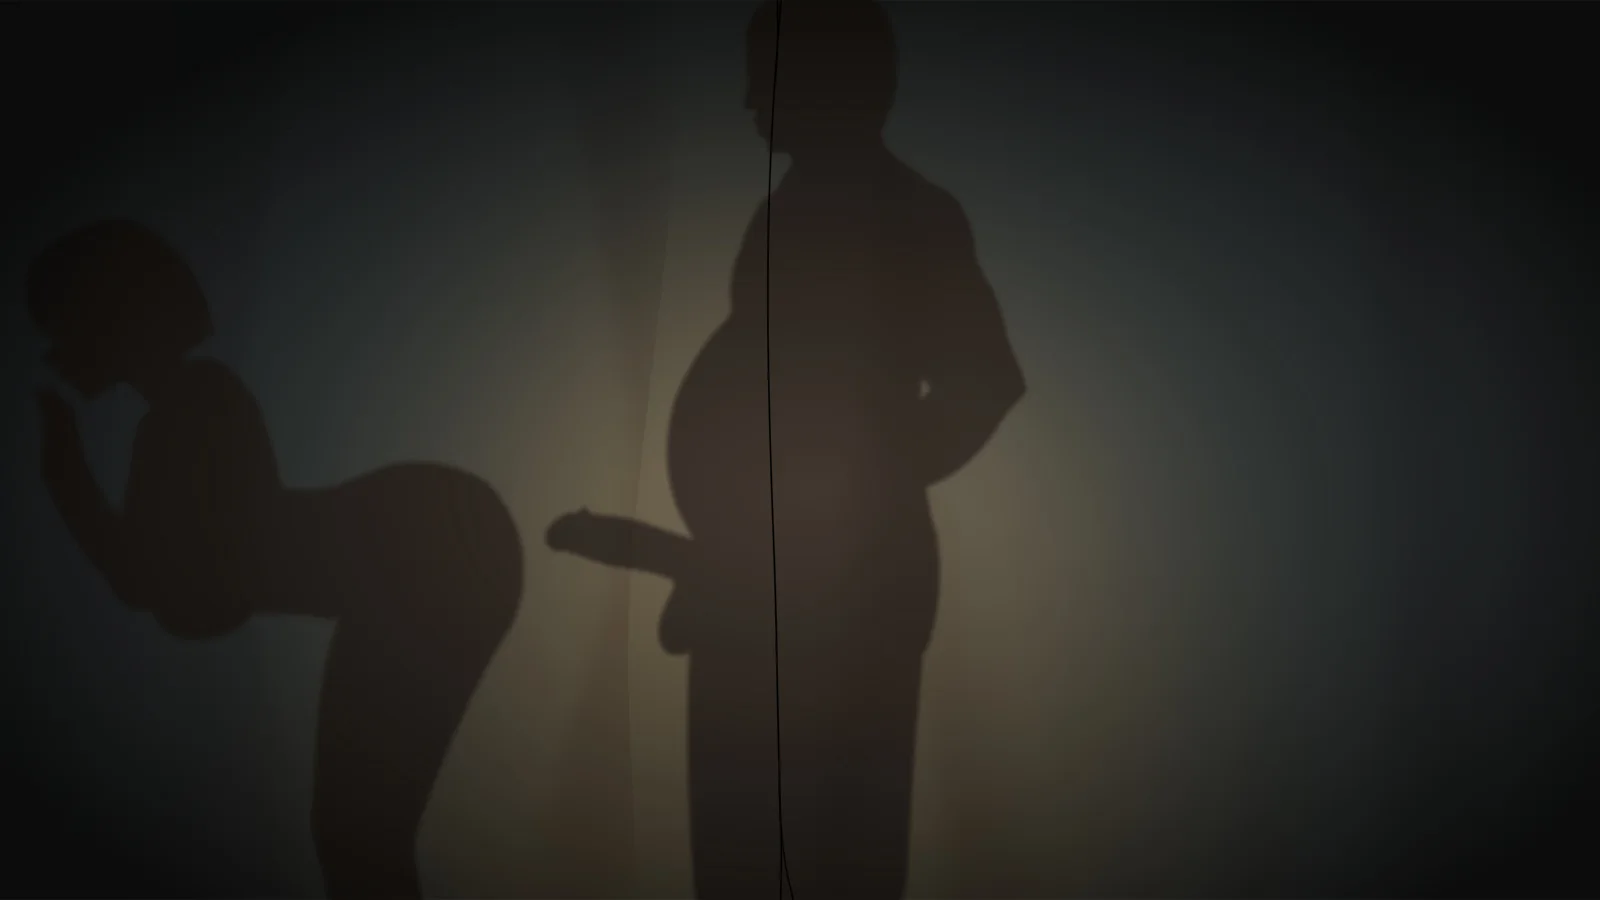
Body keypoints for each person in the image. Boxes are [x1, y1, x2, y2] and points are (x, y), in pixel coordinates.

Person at [547, 2, 1026, 896]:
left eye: (763, 78)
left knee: (834, 856)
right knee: (738, 859)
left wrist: (864, 491)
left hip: (848, 600)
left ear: (826, 83)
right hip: (742, 592)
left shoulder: (912, 213)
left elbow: (986, 381)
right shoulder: (781, 212)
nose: (746, 102)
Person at [29, 220, 523, 900]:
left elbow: (155, 583)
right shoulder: (189, 405)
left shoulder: (196, 400)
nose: (54, 351)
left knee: (356, 840)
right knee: (355, 839)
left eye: (61, 326)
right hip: (427, 547)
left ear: (106, 317)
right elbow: (177, 587)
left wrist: (66, 474)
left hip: (429, 545)